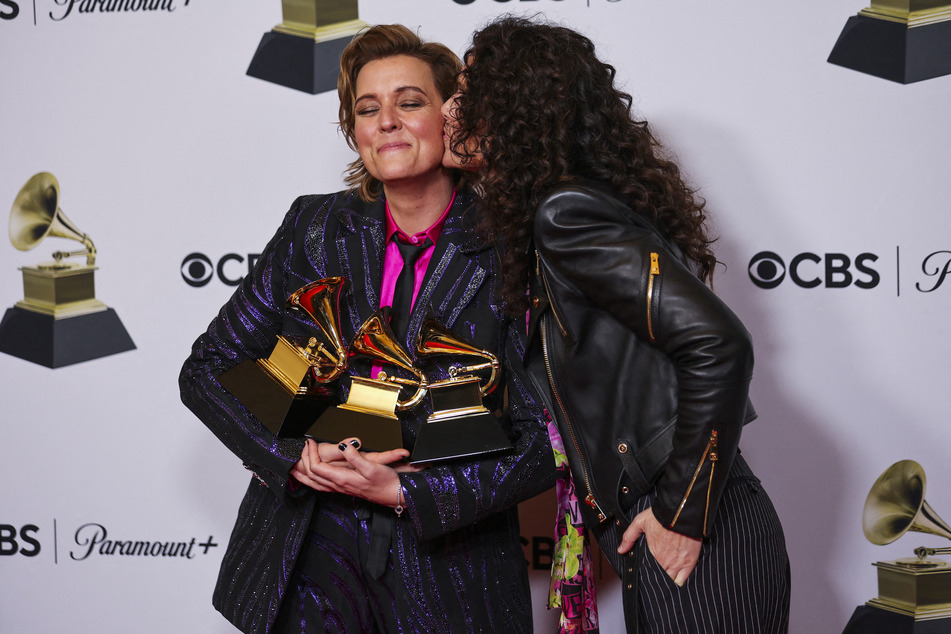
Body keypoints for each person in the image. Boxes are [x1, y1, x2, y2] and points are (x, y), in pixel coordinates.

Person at [179, 24, 555, 634]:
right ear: (353, 132)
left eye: (409, 102)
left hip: (453, 567)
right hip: (308, 555)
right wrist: (293, 458)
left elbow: (549, 438)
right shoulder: (315, 226)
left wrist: (409, 493)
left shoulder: (517, 243)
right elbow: (210, 368)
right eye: (367, 108)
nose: (386, 122)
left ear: (452, 118)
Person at [443, 15, 791, 634]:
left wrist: (681, 514)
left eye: (466, 94)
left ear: (510, 108)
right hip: (667, 524)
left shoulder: (566, 212)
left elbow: (720, 343)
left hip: (694, 532)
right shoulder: (562, 211)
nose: (448, 109)